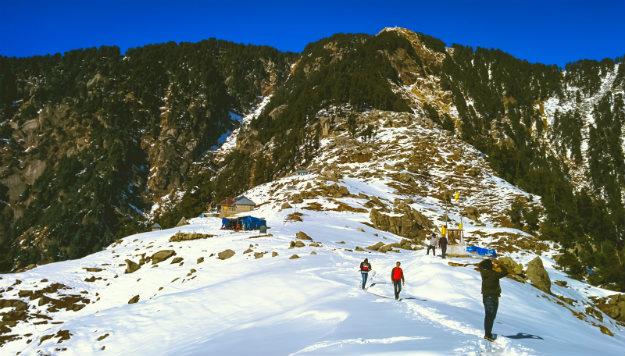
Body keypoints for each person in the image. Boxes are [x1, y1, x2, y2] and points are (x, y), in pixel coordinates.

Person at [478, 258, 508, 342]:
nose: (492, 264)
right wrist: (499, 264)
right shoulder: (493, 274)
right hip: (492, 297)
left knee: (489, 316)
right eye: (491, 264)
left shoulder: (483, 272)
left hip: (486, 296)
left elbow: (480, 265)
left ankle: (488, 333)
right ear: (489, 266)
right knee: (490, 316)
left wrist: (489, 261)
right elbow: (505, 272)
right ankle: (487, 335)